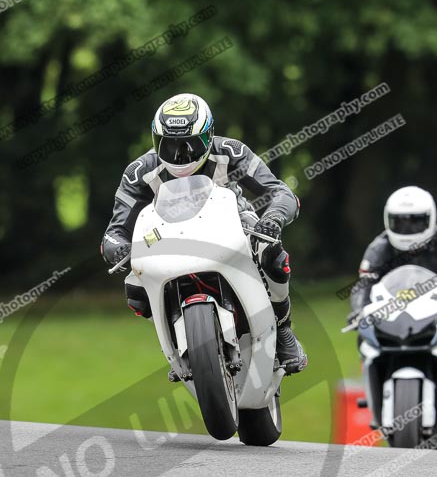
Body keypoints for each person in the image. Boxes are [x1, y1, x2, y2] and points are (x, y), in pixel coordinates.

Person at [101, 92, 307, 375]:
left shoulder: (231, 151)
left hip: (233, 222)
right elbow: (114, 231)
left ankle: (284, 331)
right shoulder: (139, 171)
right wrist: (121, 248)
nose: (178, 155)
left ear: (209, 136)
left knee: (271, 253)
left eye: (188, 144)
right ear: (155, 140)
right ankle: (176, 343)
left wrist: (271, 218)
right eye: (168, 145)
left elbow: (280, 192)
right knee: (135, 288)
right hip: (168, 235)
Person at [349, 185, 437, 319]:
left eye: (415, 221)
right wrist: (360, 311)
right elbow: (364, 285)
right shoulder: (379, 248)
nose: (407, 228)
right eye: (400, 222)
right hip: (391, 320)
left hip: (432, 317)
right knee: (365, 338)